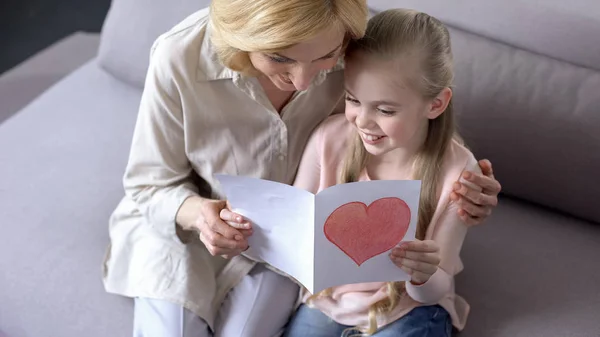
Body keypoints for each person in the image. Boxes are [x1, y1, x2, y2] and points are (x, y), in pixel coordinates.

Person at [101, 1, 502, 336]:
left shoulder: (348, 38)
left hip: (284, 245)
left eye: (327, 59)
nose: (305, 81)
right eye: (280, 57)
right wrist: (198, 215)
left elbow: (408, 100)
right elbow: (149, 185)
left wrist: (463, 183)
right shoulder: (179, 58)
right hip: (193, 230)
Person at [285, 8, 489, 337]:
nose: (362, 121)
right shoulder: (329, 138)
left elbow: (433, 290)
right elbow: (291, 222)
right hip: (328, 302)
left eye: (385, 109)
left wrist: (421, 274)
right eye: (353, 99)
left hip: (408, 309)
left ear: (435, 105)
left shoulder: (458, 173)